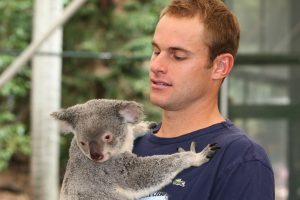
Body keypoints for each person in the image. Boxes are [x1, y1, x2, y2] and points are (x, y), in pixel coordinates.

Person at [133, 0, 275, 199]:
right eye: (156, 51)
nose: (156, 65)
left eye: (178, 56)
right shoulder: (125, 146)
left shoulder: (240, 160)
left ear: (220, 66)